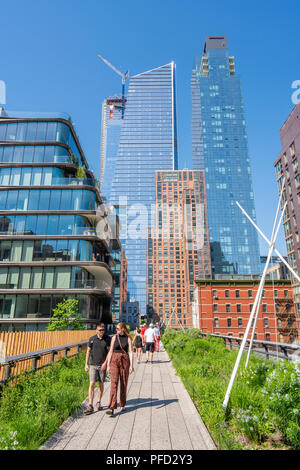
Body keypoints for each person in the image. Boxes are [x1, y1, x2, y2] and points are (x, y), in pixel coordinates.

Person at [106, 322, 134, 416]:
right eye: (116, 328)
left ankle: (122, 403)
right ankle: (112, 406)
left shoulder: (128, 339)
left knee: (124, 382)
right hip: (114, 360)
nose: (116, 330)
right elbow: (110, 351)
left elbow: (130, 352)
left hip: (125, 361)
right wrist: (108, 365)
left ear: (123, 329)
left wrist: (131, 365)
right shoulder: (114, 338)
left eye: (118, 328)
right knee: (114, 383)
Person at [84, 323, 111, 415]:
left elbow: (109, 352)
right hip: (93, 365)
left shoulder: (107, 339)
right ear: (96, 330)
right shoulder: (92, 339)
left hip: (102, 365)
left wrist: (106, 364)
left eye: (103, 330)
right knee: (91, 383)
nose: (102, 332)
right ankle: (90, 405)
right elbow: (88, 351)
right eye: (100, 330)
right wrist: (86, 364)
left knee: (101, 383)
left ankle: (99, 402)